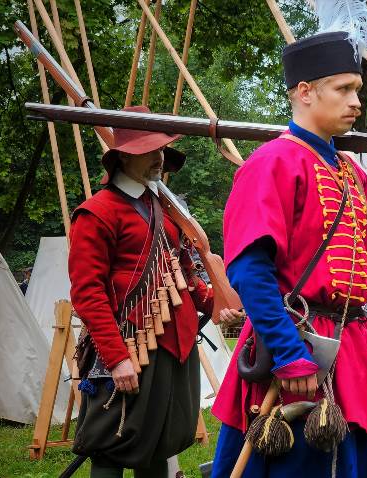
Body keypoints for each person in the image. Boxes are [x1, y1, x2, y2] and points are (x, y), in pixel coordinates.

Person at [210, 31, 367, 478]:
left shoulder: (351, 171)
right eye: (344, 89)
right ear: (304, 91)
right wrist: (287, 352)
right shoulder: (271, 163)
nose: (356, 101)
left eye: (357, 89)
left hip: (353, 345)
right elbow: (249, 270)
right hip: (297, 339)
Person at [68, 109, 241, 478]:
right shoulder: (96, 213)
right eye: (151, 149)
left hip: (176, 346)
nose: (160, 158)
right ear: (125, 156)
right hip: (130, 345)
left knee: (160, 444)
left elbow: (186, 272)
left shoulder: (165, 209)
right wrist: (117, 359)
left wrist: (216, 303)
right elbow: (87, 293)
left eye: (162, 149)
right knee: (112, 447)